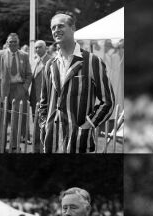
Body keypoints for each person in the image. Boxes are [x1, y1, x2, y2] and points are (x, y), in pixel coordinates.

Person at [39, 11, 115, 153]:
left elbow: (108, 101)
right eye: (53, 27)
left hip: (78, 142)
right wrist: (44, 124)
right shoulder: (50, 64)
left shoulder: (92, 61)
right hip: (52, 141)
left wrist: (89, 124)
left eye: (60, 26)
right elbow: (43, 102)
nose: (56, 30)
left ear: (73, 28)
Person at [0, 33, 32, 151]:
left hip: (19, 89)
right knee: (2, 119)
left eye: (15, 42)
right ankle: (1, 145)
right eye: (10, 42)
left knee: (16, 119)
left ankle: (14, 146)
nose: (13, 44)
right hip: (3, 90)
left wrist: (24, 88)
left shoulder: (24, 55)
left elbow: (29, 75)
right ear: (7, 43)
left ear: (18, 43)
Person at [30, 40, 51, 152]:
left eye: (40, 47)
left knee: (45, 124)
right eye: (36, 48)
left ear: (45, 48)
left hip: (45, 99)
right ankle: (37, 146)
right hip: (34, 98)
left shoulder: (51, 60)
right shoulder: (35, 61)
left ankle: (45, 146)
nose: (37, 50)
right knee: (36, 124)